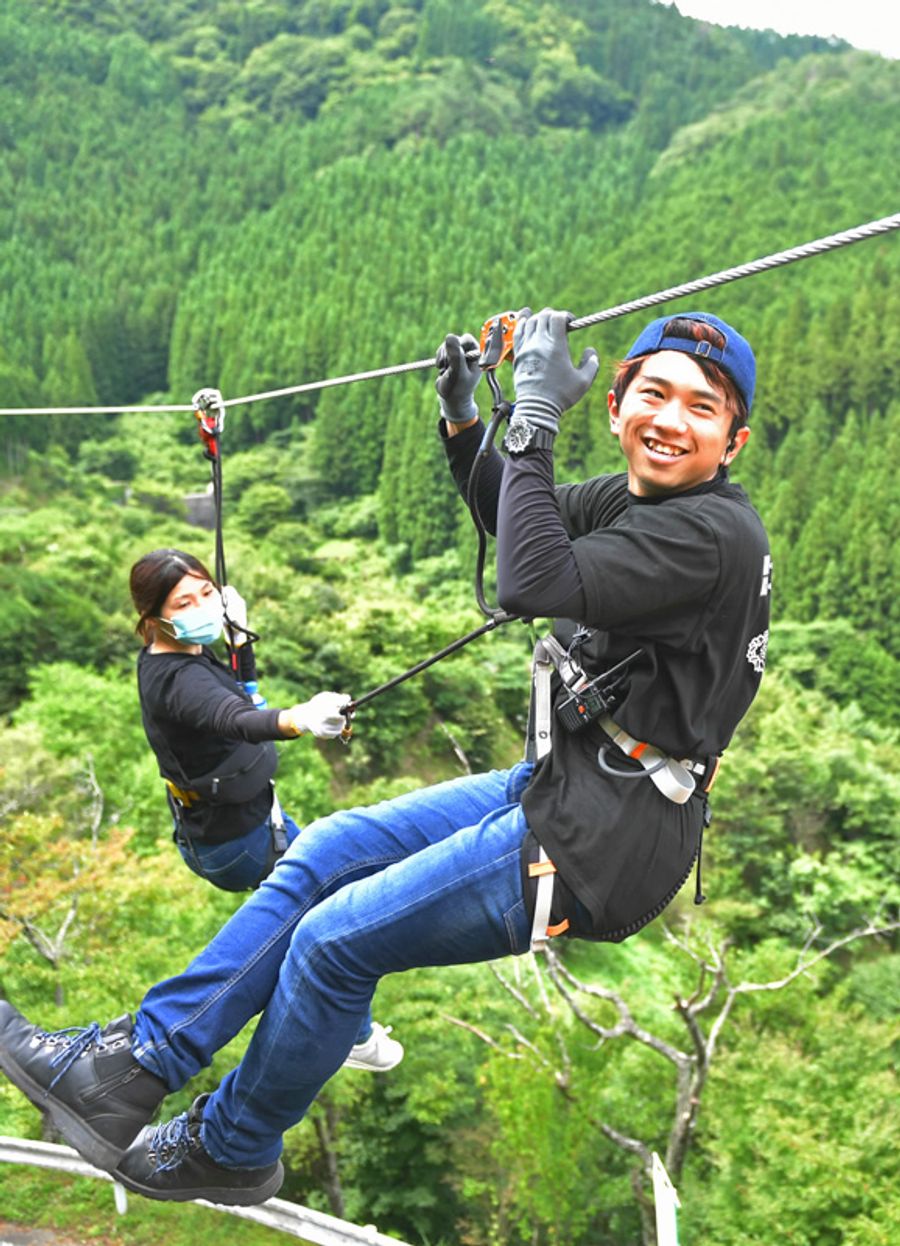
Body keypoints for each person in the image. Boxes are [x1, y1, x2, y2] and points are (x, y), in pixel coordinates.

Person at [0, 307, 771, 1207]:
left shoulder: (709, 535)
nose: (671, 419)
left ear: (734, 439)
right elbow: (514, 517)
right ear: (615, 405)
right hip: (573, 781)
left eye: (701, 407)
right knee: (325, 850)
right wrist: (467, 423)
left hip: (609, 836)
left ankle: (233, 1145)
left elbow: (531, 584)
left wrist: (533, 412)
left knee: (333, 945)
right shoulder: (642, 501)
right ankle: (132, 1064)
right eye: (654, 393)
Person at [129, 548, 403, 1072]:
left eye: (207, 592)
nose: (201, 606)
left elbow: (239, 693)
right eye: (184, 601)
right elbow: (236, 716)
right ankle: (353, 1034)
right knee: (333, 910)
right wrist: (298, 718)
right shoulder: (179, 681)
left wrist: (239, 643)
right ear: (152, 618)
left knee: (334, 900)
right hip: (236, 841)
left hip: (240, 825)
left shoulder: (182, 649)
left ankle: (347, 1031)